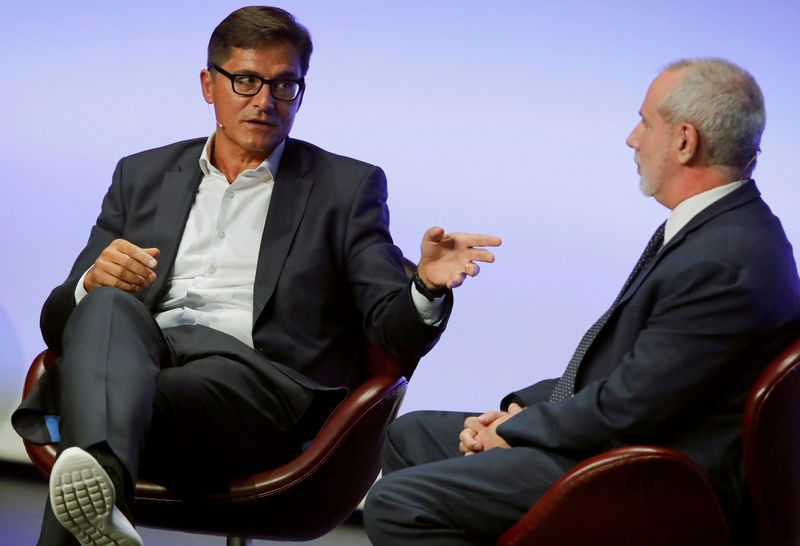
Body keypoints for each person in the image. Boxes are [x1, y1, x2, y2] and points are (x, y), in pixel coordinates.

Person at [11, 6, 501, 545]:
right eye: (246, 81)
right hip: (147, 368)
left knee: (94, 406)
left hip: (259, 387)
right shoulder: (141, 175)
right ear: (208, 84)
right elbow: (58, 322)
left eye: (285, 85)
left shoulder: (345, 186)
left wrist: (426, 287)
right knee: (106, 309)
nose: (265, 101)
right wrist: (90, 286)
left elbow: (392, 332)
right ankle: (103, 483)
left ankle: (98, 466)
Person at [363, 58, 800, 545]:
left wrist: (517, 429)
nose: (633, 138)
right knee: (412, 436)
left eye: (645, 122)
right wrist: (517, 408)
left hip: (651, 477)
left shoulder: (724, 259)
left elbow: (630, 408)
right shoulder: (716, 229)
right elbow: (628, 370)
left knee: (398, 503)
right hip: (622, 443)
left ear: (683, 140)